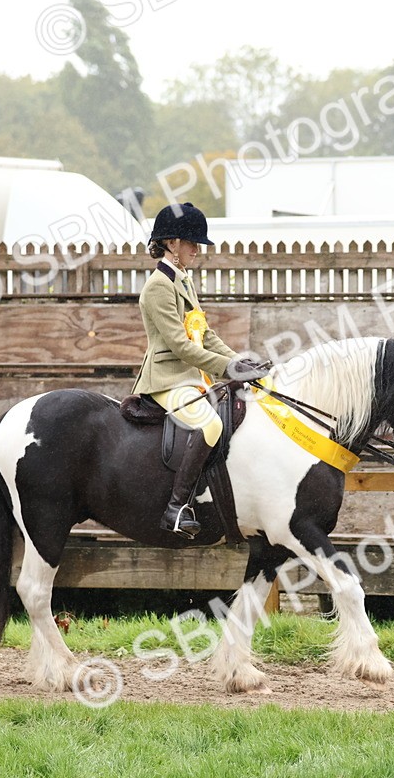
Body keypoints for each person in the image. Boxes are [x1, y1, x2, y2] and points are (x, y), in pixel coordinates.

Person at [132, 202, 269, 538]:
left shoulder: (183, 281)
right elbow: (181, 346)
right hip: (166, 378)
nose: (197, 250)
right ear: (172, 242)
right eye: (192, 243)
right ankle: (177, 507)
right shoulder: (158, 286)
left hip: (191, 377)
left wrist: (239, 362)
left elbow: (205, 335)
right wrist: (228, 369)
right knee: (209, 424)